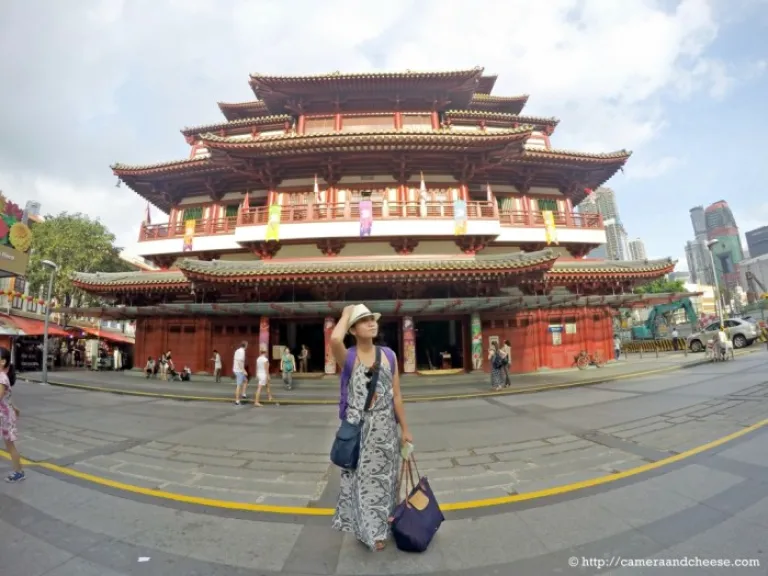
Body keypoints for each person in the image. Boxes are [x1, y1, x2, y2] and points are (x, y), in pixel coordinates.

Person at [330, 304, 412, 552]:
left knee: (385, 482)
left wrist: (405, 431)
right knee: (362, 483)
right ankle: (369, 530)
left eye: (372, 320)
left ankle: (382, 526)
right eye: (364, 321)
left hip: (386, 429)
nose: (371, 324)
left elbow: (396, 396)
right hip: (360, 431)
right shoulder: (349, 357)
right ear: (353, 329)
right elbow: (334, 337)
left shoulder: (389, 355)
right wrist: (346, 313)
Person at [0, 346, 23, 482]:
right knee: (9, 444)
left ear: (3, 362)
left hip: (5, 418)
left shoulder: (2, 378)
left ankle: (19, 472)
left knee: (10, 445)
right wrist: (14, 407)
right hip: (5, 415)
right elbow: (6, 398)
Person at [233, 341, 247, 406]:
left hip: (236, 369)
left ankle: (243, 394)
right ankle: (237, 400)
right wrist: (243, 370)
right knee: (239, 385)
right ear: (245, 345)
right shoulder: (242, 351)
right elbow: (239, 362)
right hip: (239, 370)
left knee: (245, 380)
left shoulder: (237, 350)